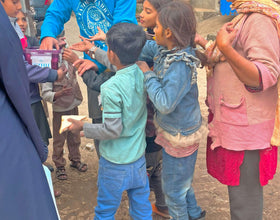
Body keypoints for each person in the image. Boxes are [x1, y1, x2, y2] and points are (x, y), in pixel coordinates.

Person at [198, 0, 280, 219]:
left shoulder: (259, 20)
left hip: (248, 131)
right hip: (238, 125)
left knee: (245, 206)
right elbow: (231, 59)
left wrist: (224, 47)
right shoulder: (246, 15)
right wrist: (204, 44)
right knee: (240, 200)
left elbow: (265, 75)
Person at [68, 23, 152, 219]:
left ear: (112, 53)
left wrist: (84, 127)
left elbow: (112, 129)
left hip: (115, 164)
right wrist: (94, 49)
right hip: (138, 158)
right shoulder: (142, 72)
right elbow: (117, 62)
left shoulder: (111, 87)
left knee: (105, 211)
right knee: (141, 209)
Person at [39, 0, 138, 158]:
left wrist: (98, 54)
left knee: (129, 121)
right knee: (99, 120)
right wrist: (48, 34)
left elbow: (123, 33)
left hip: (122, 66)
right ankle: (106, 163)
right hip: (93, 68)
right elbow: (55, 13)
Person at [137, 1, 207, 220]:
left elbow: (165, 103)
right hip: (178, 131)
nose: (152, 31)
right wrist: (112, 42)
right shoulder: (168, 48)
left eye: (155, 27)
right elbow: (143, 46)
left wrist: (148, 73)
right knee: (181, 181)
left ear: (168, 31)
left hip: (180, 136)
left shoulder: (179, 64)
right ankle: (194, 213)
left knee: (173, 191)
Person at [0, 2, 59, 219]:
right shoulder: (6, 30)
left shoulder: (20, 34)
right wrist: (53, 75)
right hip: (22, 107)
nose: (18, 8)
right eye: (14, 2)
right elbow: (18, 76)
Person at [41, 44, 87, 180]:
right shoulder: (49, 65)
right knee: (59, 139)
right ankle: (60, 165)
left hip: (73, 104)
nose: (62, 45)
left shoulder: (69, 59)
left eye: (64, 42)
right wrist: (59, 94)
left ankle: (75, 159)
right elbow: (45, 93)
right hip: (60, 109)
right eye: (58, 42)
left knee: (75, 136)